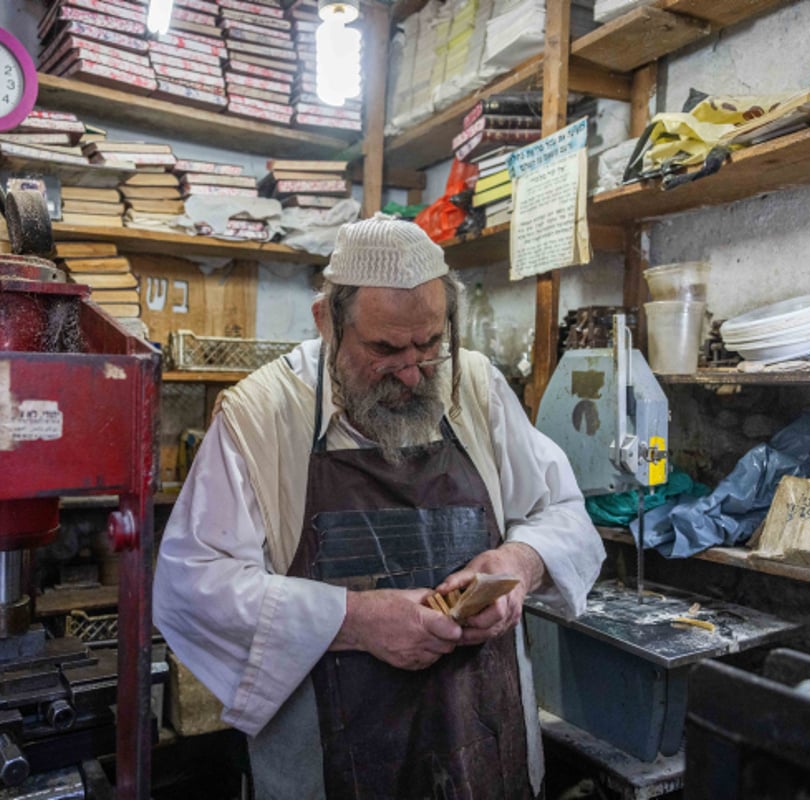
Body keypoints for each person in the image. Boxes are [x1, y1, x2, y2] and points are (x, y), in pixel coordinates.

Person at [153, 215, 604, 799]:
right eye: (385, 348)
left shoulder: (475, 386)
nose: (414, 372)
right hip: (329, 769)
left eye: (431, 343)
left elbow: (564, 514)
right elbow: (192, 586)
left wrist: (518, 563)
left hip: (483, 749)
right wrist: (354, 621)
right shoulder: (261, 415)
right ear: (327, 322)